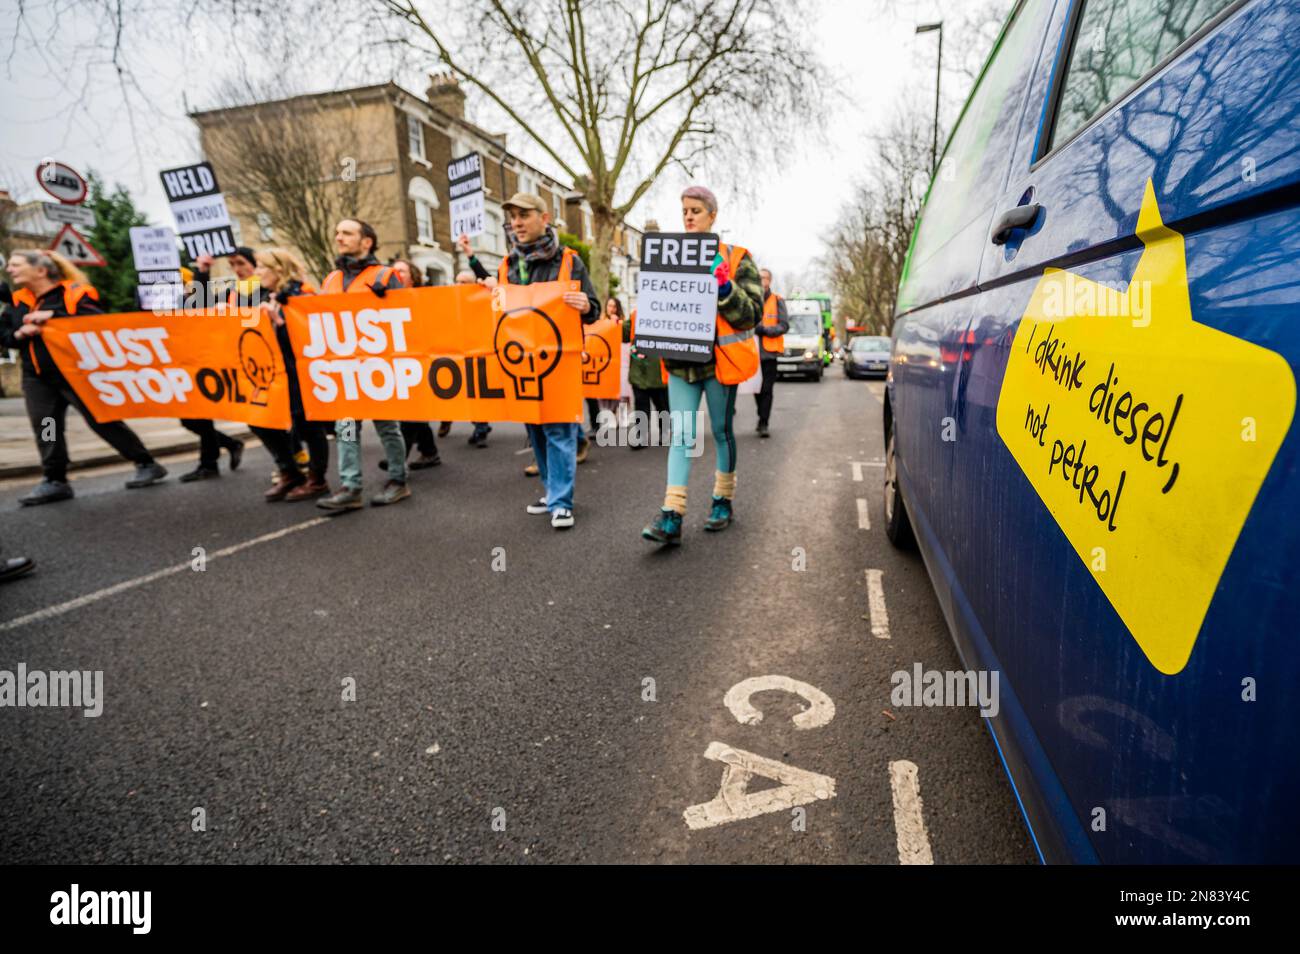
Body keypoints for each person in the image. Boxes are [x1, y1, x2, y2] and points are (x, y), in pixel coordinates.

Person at [642, 186, 762, 545]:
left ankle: (722, 500)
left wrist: (725, 287)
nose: (689, 216)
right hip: (681, 363)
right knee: (680, 435)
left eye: (696, 210)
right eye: (684, 211)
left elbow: (751, 315)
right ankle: (671, 515)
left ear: (713, 215)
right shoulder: (668, 256)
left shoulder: (739, 257)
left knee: (722, 431)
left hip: (718, 364)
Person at [1, 250, 167, 505]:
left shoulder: (74, 294)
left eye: (16, 264)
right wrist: (21, 333)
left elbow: (96, 323)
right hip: (37, 377)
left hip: (77, 373)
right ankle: (55, 479)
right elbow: (5, 335)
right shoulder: (17, 301)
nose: (10, 269)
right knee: (47, 426)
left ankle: (145, 462)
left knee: (101, 420)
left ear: (40, 270)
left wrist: (53, 317)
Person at [496, 193, 600, 529]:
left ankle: (561, 501)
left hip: (559, 362)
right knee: (536, 430)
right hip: (523, 365)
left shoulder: (570, 260)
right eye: (513, 216)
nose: (517, 222)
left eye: (524, 215)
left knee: (559, 430)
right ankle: (551, 492)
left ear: (544, 218)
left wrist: (586, 305)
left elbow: (594, 308)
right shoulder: (507, 265)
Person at [314, 218, 411, 513]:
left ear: (366, 241)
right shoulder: (331, 279)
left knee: (387, 426)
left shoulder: (385, 275)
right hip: (343, 369)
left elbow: (407, 318)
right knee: (345, 427)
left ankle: (398, 479)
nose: (339, 237)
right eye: (337, 232)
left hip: (376, 367)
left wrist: (390, 302)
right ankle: (350, 486)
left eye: (347, 232)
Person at [249, 248, 332, 501]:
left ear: (279, 269)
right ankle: (290, 471)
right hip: (271, 375)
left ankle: (317, 479)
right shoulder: (261, 295)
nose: (257, 272)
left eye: (262, 266)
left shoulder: (302, 293)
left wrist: (281, 323)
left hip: (300, 375)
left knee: (307, 427)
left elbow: (315, 335)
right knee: (258, 420)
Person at [380, 257, 441, 471]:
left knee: (411, 412)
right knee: (415, 412)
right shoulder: (384, 299)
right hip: (396, 363)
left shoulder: (424, 299)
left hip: (418, 362)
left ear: (413, 277)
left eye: (402, 271)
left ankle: (398, 460)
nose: (396, 274)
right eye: (393, 271)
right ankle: (429, 451)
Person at [450, 234, 494, 448]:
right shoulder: (449, 304)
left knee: (479, 393)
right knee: (469, 394)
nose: (459, 285)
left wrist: (470, 254)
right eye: (456, 282)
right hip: (460, 353)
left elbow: (484, 275)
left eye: (464, 282)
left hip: (481, 353)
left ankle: (481, 427)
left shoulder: (482, 302)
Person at [622, 307, 670, 449]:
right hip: (640, 370)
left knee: (662, 405)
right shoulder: (635, 314)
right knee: (641, 406)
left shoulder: (667, 312)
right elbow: (624, 334)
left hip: (659, 369)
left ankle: (665, 433)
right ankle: (641, 436)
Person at [754, 268, 790, 437]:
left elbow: (784, 325)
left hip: (769, 354)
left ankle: (764, 422)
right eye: (759, 278)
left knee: (767, 389)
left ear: (769, 281)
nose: (762, 281)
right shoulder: (751, 299)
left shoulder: (777, 300)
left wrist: (765, 330)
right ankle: (761, 415)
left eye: (764, 278)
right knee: (756, 389)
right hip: (752, 353)